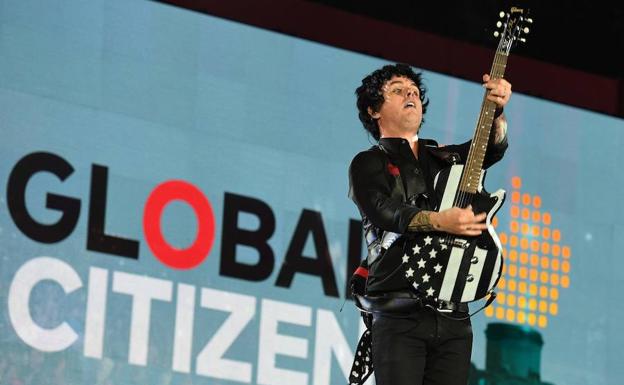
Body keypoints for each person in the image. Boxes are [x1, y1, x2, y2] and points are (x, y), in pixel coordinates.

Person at [347, 63, 511, 385]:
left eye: (414, 91)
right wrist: (439, 221)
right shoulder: (368, 163)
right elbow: (384, 211)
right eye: (397, 90)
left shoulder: (445, 158)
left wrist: (497, 112)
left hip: (454, 318)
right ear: (373, 109)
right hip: (398, 314)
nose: (411, 93)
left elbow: (490, 147)